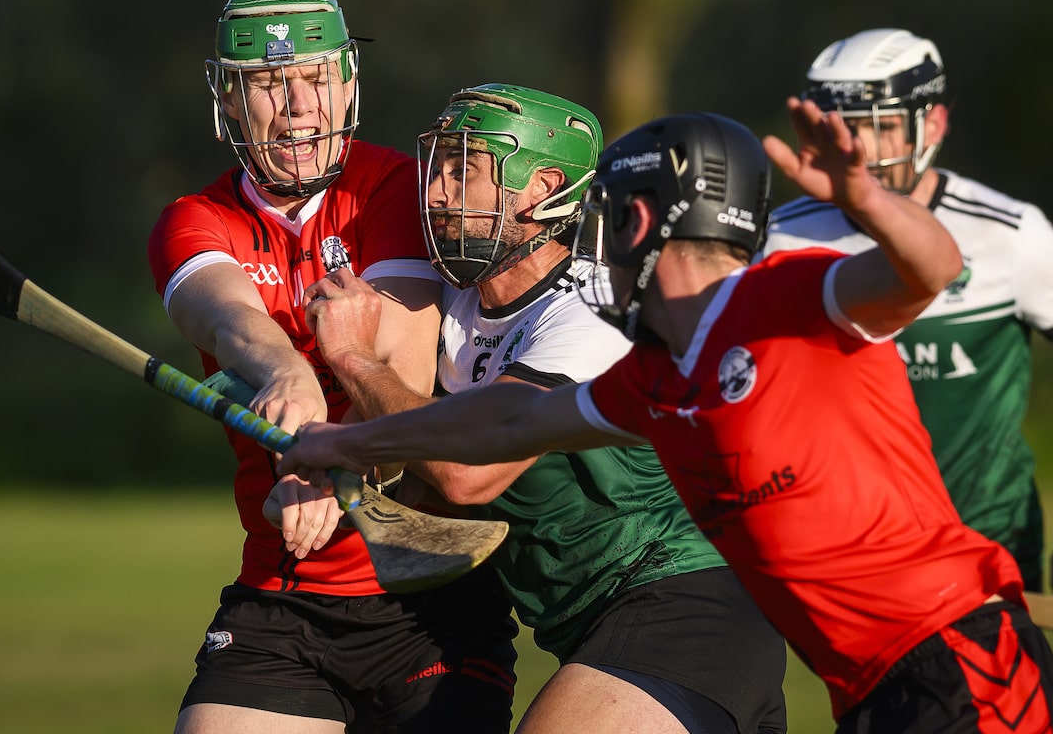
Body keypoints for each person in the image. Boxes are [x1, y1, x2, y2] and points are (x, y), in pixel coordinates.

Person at [277, 102, 1053, 732]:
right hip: (867, 691)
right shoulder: (653, 378)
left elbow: (934, 268)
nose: (593, 244)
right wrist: (339, 440)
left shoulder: (791, 294)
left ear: (642, 223)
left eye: (606, 219)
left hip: (960, 656)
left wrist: (871, 203)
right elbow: (504, 426)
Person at [244, 83, 786, 733]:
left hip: (689, 608)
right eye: (437, 166)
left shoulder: (591, 303)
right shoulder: (456, 309)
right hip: (599, 634)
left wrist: (357, 364)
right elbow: (438, 492)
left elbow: (469, 473)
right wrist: (336, 483)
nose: (437, 191)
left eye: (463, 169)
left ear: (542, 186)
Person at [146, 0, 517, 734]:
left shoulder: (398, 190)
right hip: (282, 591)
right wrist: (285, 373)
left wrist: (325, 456)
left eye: (315, 78)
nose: (299, 105)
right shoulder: (193, 220)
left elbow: (402, 373)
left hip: (427, 599)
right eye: (268, 84)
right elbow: (225, 317)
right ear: (229, 101)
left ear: (347, 83)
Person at [761, 28, 1053, 592]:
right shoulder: (778, 240)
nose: (860, 149)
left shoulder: (1012, 234)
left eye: (882, 124)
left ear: (934, 126)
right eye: (843, 126)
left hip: (988, 542)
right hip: (849, 550)